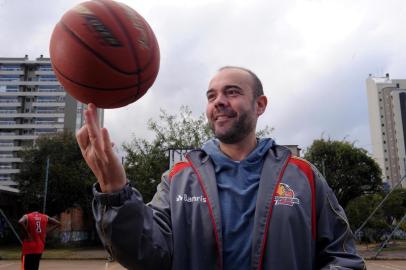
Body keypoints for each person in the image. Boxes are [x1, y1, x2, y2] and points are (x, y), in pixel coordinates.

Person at [77, 66, 366, 270]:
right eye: (211, 96)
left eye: (232, 92)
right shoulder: (178, 178)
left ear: (260, 105)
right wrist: (115, 192)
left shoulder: (302, 176)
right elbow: (147, 254)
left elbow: (342, 257)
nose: (219, 102)